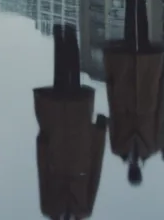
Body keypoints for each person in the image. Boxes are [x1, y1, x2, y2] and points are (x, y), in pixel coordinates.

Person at [33, 23, 107, 219]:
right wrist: (100, 132)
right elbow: (95, 173)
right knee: (74, 82)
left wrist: (41, 145)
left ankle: (59, 36)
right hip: (80, 147)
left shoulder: (49, 209)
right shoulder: (84, 210)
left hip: (55, 151)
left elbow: (43, 176)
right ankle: (71, 36)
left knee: (59, 82)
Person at [103, 0, 164, 185]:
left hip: (124, 95)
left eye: (132, 171)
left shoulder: (117, 148)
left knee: (130, 39)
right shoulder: (152, 147)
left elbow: (113, 117)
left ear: (129, 171)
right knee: (143, 40)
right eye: (137, 172)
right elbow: (158, 115)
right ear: (140, 172)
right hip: (148, 93)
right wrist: (159, 82)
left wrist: (111, 86)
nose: (134, 167)